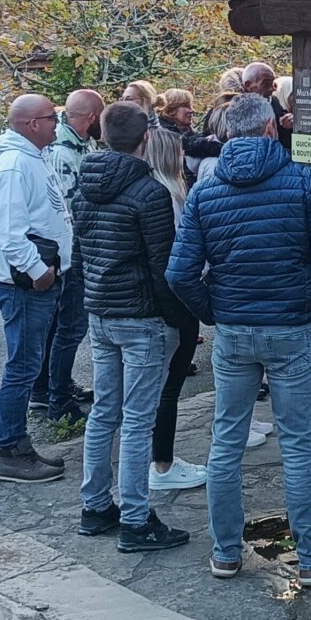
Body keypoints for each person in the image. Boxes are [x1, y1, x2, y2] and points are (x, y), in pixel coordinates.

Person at [167, 93, 311, 587]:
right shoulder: (302, 182)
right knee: (298, 443)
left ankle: (226, 552)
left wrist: (214, 311)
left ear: (227, 135)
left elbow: (180, 272)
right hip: (291, 326)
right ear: (272, 129)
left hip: (234, 330)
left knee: (226, 441)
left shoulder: (206, 193)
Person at [72, 103, 191, 551]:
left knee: (105, 412)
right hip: (142, 318)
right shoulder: (149, 192)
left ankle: (95, 505)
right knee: (138, 420)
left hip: (101, 313)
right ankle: (136, 520)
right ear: (145, 140)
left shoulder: (83, 184)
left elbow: (80, 254)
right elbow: (164, 266)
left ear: (102, 134)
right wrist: (178, 318)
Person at [140, 122, 271, 493]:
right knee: (168, 386)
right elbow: (178, 263)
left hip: (164, 301)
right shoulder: (167, 197)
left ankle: (161, 462)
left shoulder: (173, 194)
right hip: (172, 303)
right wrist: (203, 305)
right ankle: (161, 465)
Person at [0, 94, 73, 484]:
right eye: (52, 117)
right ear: (32, 124)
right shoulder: (15, 166)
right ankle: (11, 449)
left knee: (27, 363)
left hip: (41, 279)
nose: (58, 122)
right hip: (26, 285)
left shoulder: (32, 158)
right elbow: (8, 231)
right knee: (21, 367)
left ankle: (18, 446)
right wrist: (38, 271)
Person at [36, 88, 104, 423]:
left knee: (62, 324)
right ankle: (58, 399)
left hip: (74, 248)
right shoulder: (63, 152)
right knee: (70, 326)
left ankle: (47, 385)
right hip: (73, 250)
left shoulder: (81, 144)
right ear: (90, 118)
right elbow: (70, 206)